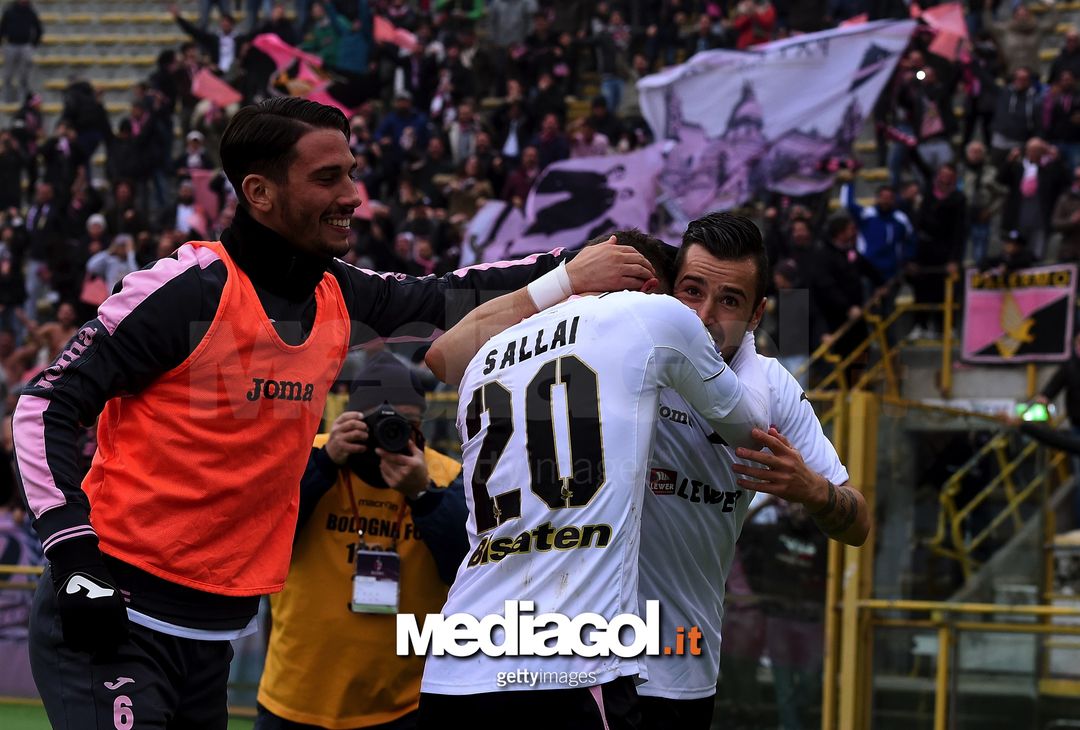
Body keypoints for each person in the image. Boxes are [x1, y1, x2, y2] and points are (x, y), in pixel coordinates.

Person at [12, 97, 654, 729]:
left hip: (209, 637)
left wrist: (570, 272)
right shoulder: (187, 289)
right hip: (111, 612)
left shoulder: (333, 290)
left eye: (350, 172)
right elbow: (44, 404)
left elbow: (446, 296)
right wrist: (72, 552)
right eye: (328, 178)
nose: (354, 195)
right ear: (259, 192)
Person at [423, 215, 870, 730]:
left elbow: (857, 522)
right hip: (585, 667)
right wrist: (568, 281)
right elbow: (447, 355)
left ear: (756, 314)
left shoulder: (773, 386)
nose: (703, 314)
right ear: (660, 291)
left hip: (678, 672)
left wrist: (813, 491)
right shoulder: (615, 349)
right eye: (691, 290)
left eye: (729, 301)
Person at [256, 352, 468, 730]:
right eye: (379, 423)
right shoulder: (310, 456)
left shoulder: (443, 475)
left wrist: (422, 495)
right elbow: (260, 534)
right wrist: (325, 463)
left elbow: (464, 569)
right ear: (351, 420)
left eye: (408, 425)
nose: (393, 435)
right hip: (294, 698)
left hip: (401, 704)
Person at [0, 0, 42, 104]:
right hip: (11, 45)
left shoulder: (31, 11)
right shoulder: (9, 11)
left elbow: (38, 29)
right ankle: (7, 99)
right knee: (8, 75)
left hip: (25, 45)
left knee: (24, 76)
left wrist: (33, 44)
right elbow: (2, 28)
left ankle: (23, 100)